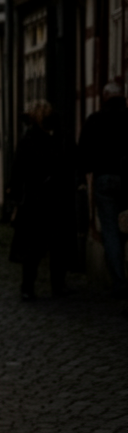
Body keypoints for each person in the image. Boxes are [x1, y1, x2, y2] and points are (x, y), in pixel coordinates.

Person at [8, 102, 76, 300]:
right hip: (38, 201)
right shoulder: (32, 140)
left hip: (50, 200)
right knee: (36, 247)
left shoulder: (56, 139)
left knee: (53, 246)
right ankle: (30, 287)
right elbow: (19, 169)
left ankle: (47, 286)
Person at [78, 82, 128, 298]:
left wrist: (85, 175)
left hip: (104, 180)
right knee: (125, 228)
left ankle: (119, 282)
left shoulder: (95, 120)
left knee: (110, 231)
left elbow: (83, 154)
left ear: (105, 97)